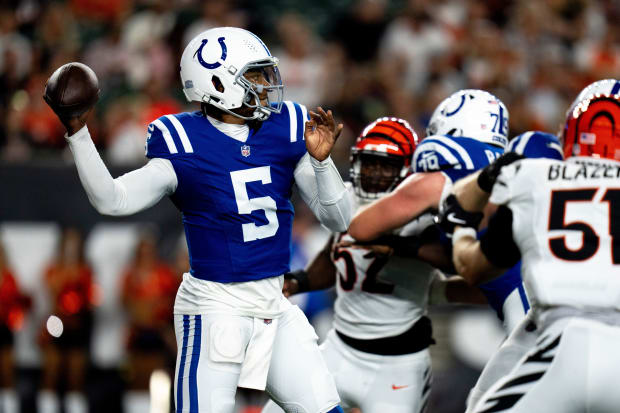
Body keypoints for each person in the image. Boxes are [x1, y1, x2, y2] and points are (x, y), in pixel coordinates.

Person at [45, 27, 351, 413]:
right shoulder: (183, 141)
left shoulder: (285, 126)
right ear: (218, 83)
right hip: (214, 308)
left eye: (264, 73)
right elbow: (113, 200)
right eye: (254, 76)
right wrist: (79, 134)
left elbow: (339, 220)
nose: (266, 84)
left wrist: (322, 164)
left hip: (275, 305)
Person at [438, 78, 620, 412]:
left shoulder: (535, 178)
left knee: (481, 401)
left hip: (560, 341)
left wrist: (462, 225)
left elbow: (472, 265)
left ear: (569, 134)